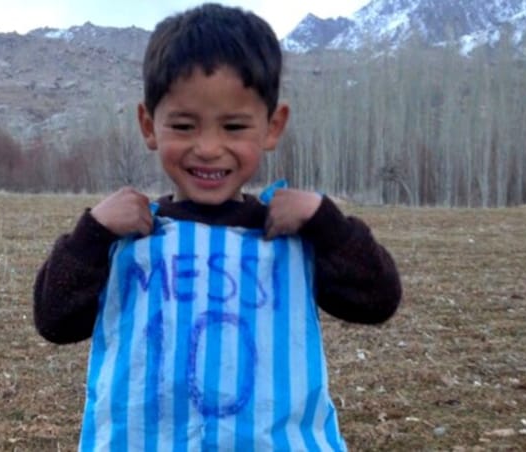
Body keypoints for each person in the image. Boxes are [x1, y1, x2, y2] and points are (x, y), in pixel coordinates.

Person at [33, 3, 402, 450]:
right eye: (185, 125)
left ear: (272, 126)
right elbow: (54, 320)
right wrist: (90, 234)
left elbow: (378, 300)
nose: (208, 148)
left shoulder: (294, 236)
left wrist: (328, 224)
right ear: (149, 126)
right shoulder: (124, 235)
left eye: (234, 126)